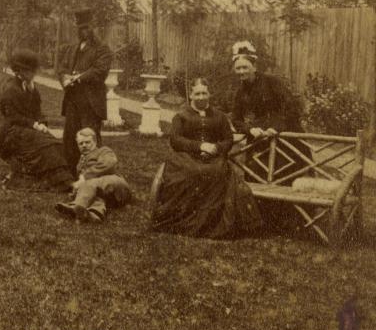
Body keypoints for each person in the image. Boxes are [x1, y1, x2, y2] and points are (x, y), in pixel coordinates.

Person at [149, 77, 262, 239]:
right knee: (193, 171)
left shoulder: (220, 117)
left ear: (209, 94)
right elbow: (175, 139)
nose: (201, 97)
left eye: (204, 93)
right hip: (186, 156)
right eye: (198, 93)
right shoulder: (181, 116)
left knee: (215, 172)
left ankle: (211, 224)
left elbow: (228, 139)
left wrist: (215, 148)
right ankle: (183, 220)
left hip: (213, 157)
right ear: (191, 95)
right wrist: (200, 146)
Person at [0, 50, 75, 190]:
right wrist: (34, 124)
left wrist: (42, 123)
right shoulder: (10, 89)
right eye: (28, 71)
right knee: (46, 146)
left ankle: (60, 179)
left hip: (29, 130)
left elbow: (38, 112)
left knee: (54, 143)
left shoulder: (33, 89)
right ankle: (59, 181)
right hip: (12, 134)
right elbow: (12, 117)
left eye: (33, 71)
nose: (32, 74)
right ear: (18, 71)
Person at [60, 9, 112, 171]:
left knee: (89, 137)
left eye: (87, 27)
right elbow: (62, 68)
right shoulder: (72, 48)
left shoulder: (102, 49)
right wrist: (65, 79)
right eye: (81, 28)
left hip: (91, 102)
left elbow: (99, 71)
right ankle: (71, 174)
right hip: (72, 100)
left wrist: (79, 77)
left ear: (93, 28)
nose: (84, 31)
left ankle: (94, 173)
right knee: (70, 137)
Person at [58, 127, 134, 222]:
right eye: (81, 143)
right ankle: (94, 213)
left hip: (117, 187)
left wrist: (84, 177)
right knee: (95, 193)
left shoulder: (104, 151)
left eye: (87, 142)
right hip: (106, 195)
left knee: (90, 183)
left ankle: (75, 206)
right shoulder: (81, 162)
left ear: (95, 142)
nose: (84, 145)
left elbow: (109, 163)